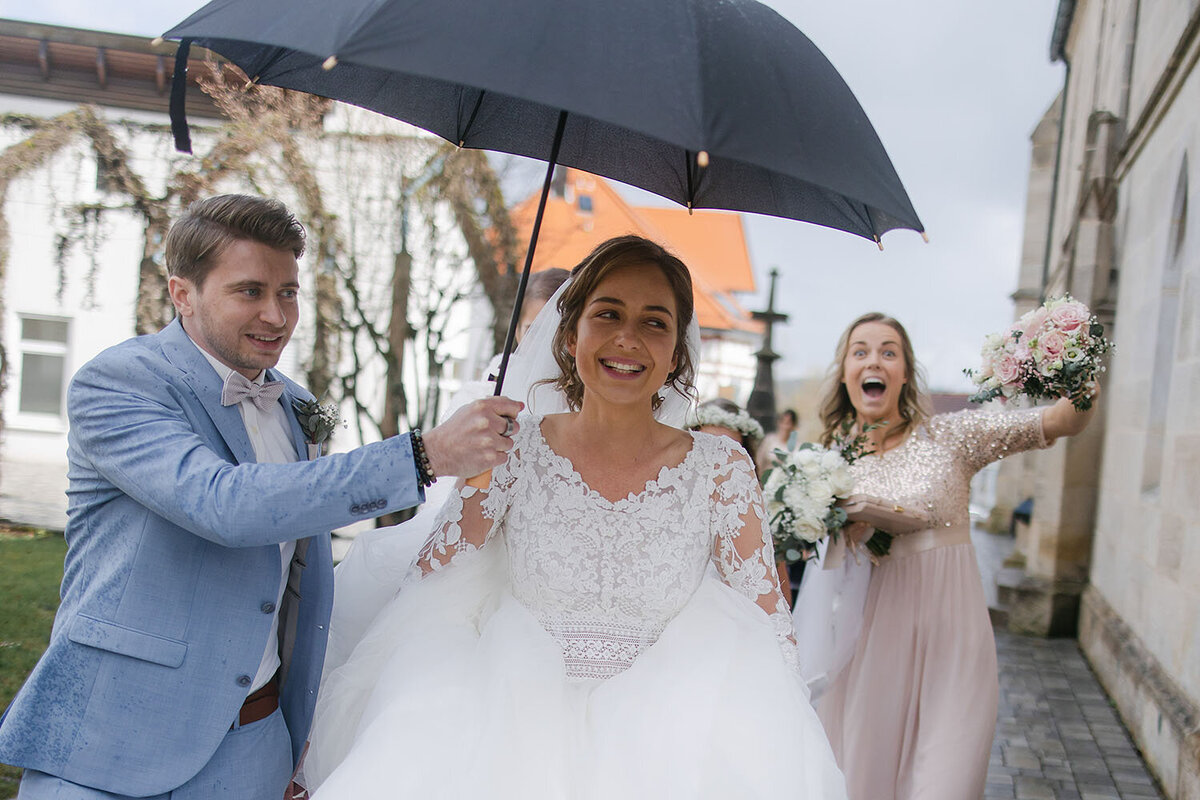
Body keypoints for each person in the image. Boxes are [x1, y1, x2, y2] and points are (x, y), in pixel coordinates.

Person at [0, 195, 522, 800]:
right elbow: (224, 505)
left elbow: (300, 577)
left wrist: (297, 737)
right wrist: (422, 455)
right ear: (182, 294)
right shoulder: (119, 382)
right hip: (113, 736)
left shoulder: (295, 404)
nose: (276, 315)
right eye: (250, 291)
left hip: (253, 745)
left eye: (289, 293)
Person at [300, 236, 847, 799]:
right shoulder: (511, 447)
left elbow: (767, 618)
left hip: (671, 742)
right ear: (569, 333)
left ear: (678, 351)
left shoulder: (722, 467)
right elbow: (432, 577)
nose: (627, 338)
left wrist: (790, 736)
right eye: (607, 313)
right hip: (508, 728)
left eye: (654, 322)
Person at [795, 312, 1099, 800]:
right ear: (845, 372)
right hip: (875, 640)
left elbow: (1063, 421)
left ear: (905, 372)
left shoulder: (952, 436)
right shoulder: (831, 460)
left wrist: (1074, 370)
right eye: (861, 351)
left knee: (946, 782)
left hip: (953, 638)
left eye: (889, 351)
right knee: (865, 780)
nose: (875, 359)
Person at [756, 407, 798, 472]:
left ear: (793, 426)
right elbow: (759, 461)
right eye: (783, 422)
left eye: (788, 423)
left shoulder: (796, 446)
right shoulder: (769, 440)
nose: (785, 427)